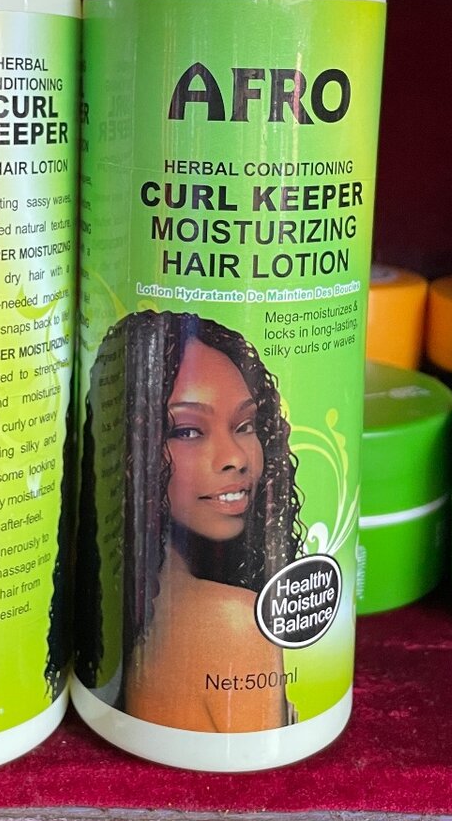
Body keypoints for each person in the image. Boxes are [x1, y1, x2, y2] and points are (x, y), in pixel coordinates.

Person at [74, 310, 303, 732]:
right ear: (125, 449)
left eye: (245, 425)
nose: (235, 458)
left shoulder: (125, 613)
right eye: (188, 432)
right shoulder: (233, 620)